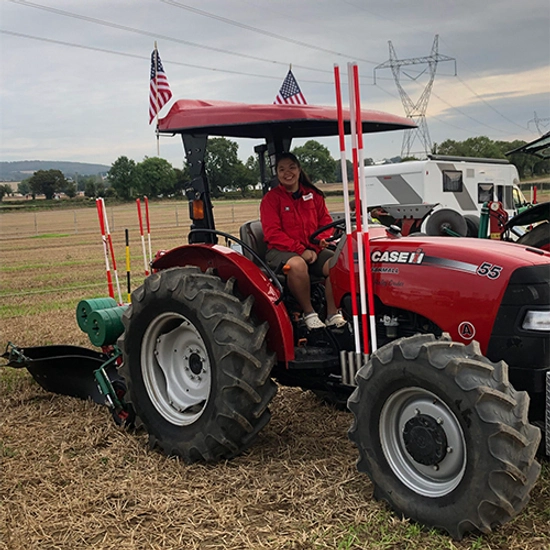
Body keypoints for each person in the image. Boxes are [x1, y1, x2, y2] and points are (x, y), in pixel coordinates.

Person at [260, 152, 346, 330]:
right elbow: (272, 233)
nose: (287, 172)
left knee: (336, 263)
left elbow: (325, 222)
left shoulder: (314, 195)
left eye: (291, 167)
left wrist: (317, 245)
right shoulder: (271, 199)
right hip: (280, 250)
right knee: (298, 265)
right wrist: (300, 250)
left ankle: (332, 314)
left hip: (312, 249)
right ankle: (309, 313)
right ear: (277, 173)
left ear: (299, 170)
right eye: (282, 169)